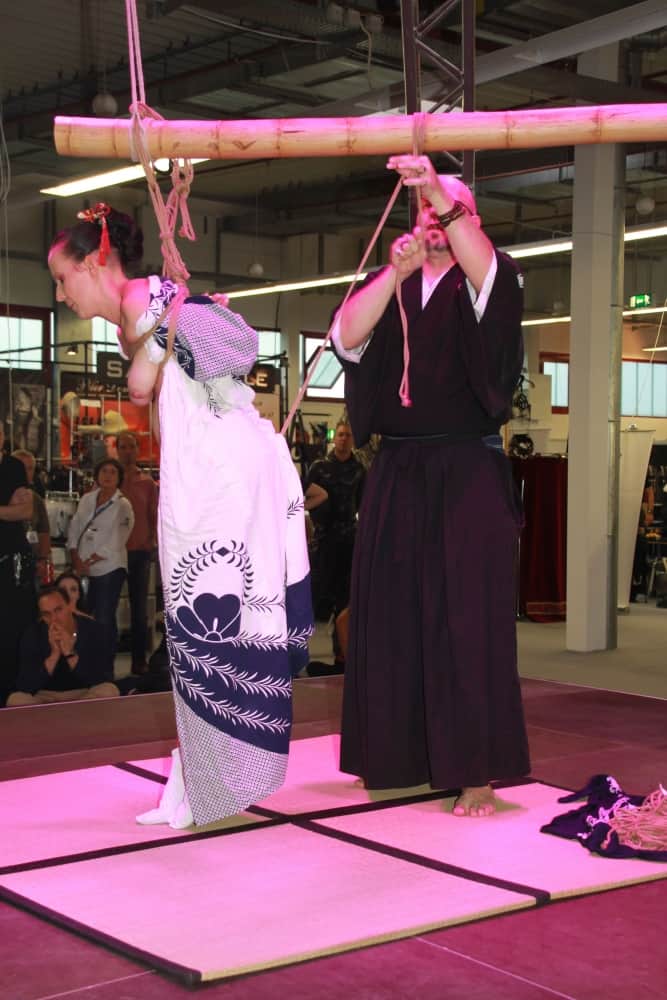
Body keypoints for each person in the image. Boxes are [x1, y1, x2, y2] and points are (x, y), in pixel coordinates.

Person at [48, 203, 313, 829]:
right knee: (204, 624)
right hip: (212, 467)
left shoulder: (145, 296)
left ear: (94, 263)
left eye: (62, 278)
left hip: (220, 473)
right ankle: (200, 771)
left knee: (207, 620)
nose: (61, 294)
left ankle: (208, 776)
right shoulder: (143, 306)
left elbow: (175, 370)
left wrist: (168, 328)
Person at [332, 154, 530, 817]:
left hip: (466, 469)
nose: (435, 219)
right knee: (390, 616)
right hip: (398, 470)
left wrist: (438, 193)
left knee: (466, 619)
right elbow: (345, 336)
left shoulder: (487, 280)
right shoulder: (396, 283)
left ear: (469, 218)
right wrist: (394, 271)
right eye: (424, 210)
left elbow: (488, 269)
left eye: (449, 210)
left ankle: (475, 771)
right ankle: (396, 755)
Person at [304, 420, 365, 666]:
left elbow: (363, 504)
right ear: (334, 437)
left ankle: (342, 657)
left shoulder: (359, 469)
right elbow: (303, 497)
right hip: (323, 542)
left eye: (347, 435)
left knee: (344, 603)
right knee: (313, 598)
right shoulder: (319, 468)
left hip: (349, 542)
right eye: (340, 434)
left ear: (352, 439)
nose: (343, 438)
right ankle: (295, 655)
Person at [7, 585, 118, 705]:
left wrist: (69, 653)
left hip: (84, 693)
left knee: (109, 690)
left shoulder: (94, 629)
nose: (54, 619)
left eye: (58, 610)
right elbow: (25, 685)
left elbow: (102, 678)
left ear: (69, 606)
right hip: (46, 696)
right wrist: (54, 655)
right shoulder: (33, 634)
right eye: (46, 614)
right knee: (15, 699)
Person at [67, 457, 134, 650]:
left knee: (104, 616)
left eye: (113, 472)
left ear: (119, 478)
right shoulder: (87, 499)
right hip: (83, 567)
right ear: (97, 475)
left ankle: (105, 661)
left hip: (109, 567)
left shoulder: (123, 505)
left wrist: (90, 560)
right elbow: (75, 526)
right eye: (104, 471)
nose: (108, 476)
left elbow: (119, 538)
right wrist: (75, 555)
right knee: (84, 613)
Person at [116, 430, 158, 674]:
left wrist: (151, 543)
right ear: (117, 450)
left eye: (131, 447)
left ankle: (139, 661)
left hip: (139, 552)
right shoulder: (109, 479)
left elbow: (154, 515)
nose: (127, 451)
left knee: (139, 609)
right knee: (106, 608)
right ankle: (102, 661)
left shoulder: (147, 483)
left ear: (137, 450)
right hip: (112, 552)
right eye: (123, 447)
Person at [0, 421, 36, 706]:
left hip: (10, 560)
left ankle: (11, 692)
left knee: (12, 627)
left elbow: (24, 510)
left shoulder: (12, 466)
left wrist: (11, 509)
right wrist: (6, 509)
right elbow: (12, 511)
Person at [12, 448, 53, 586]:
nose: (25, 472)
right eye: (21, 467)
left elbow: (44, 532)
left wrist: (43, 560)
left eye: (30, 468)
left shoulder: (36, 500)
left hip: (32, 563)